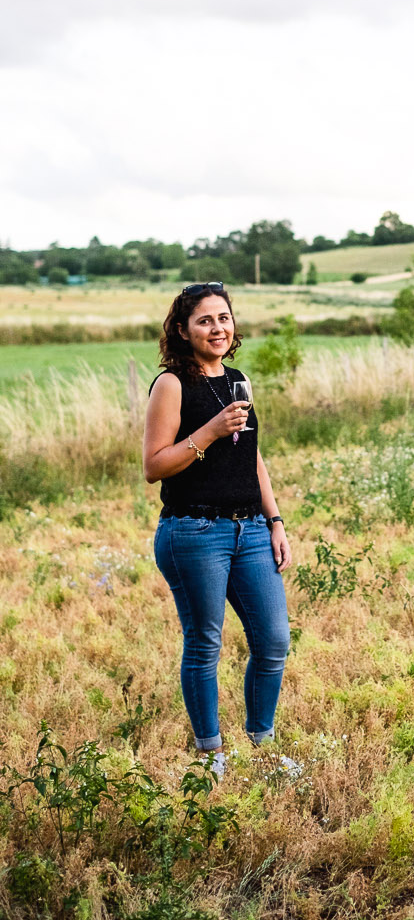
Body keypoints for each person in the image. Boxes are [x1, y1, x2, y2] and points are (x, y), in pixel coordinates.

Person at [142, 281, 292, 758]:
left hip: (249, 529)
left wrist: (275, 520)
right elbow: (154, 466)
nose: (217, 328)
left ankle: (262, 746)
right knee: (206, 644)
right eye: (205, 320)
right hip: (193, 530)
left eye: (223, 318)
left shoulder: (237, 378)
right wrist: (208, 431)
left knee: (273, 641)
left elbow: (252, 456)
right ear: (183, 330)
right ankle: (211, 756)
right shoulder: (171, 384)